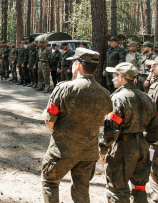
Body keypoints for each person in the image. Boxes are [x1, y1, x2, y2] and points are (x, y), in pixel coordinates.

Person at [41, 48, 112, 203]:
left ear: (78, 64)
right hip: (88, 153)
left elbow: (50, 120)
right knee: (82, 190)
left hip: (62, 150)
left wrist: (61, 133)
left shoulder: (64, 88)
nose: (72, 65)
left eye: (73, 62)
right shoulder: (104, 94)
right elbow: (104, 122)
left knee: (50, 183)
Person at [99, 62, 158, 202]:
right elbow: (154, 127)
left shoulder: (118, 98)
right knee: (139, 187)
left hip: (123, 147)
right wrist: (146, 143)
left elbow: (112, 129)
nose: (112, 79)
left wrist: (103, 149)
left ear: (121, 77)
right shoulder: (147, 98)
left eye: (114, 76)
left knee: (117, 189)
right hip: (143, 147)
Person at [147, 59, 158, 201]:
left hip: (156, 134)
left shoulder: (155, 87)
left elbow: (150, 110)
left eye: (154, 66)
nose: (152, 68)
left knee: (154, 167)